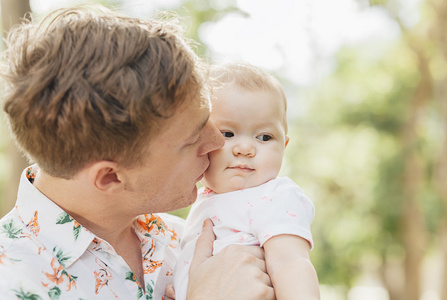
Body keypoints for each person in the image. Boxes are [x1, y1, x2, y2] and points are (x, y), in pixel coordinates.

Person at [0, 5, 275, 300]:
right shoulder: (13, 283)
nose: (217, 142)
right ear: (110, 177)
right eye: (192, 139)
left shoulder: (189, 237)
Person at [173, 62, 320, 300]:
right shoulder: (203, 198)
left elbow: (290, 263)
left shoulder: (274, 196)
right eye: (227, 134)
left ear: (283, 147)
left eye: (264, 137)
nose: (245, 148)